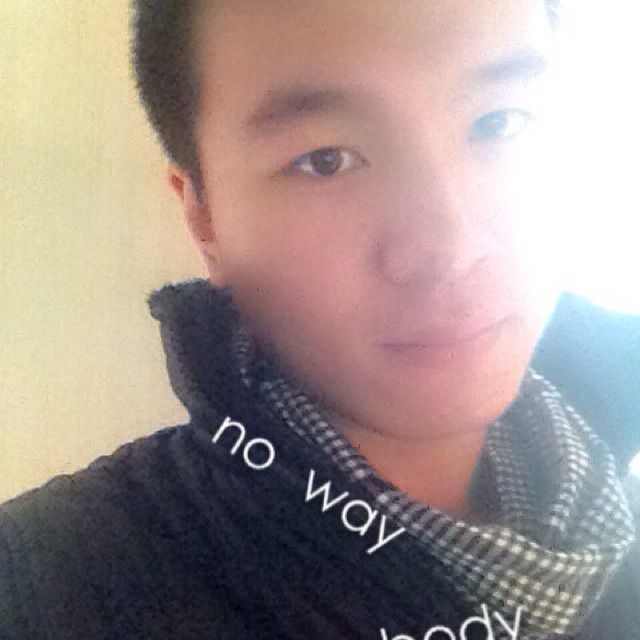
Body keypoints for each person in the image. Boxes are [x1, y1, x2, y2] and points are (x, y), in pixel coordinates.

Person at [1, 1, 638, 638]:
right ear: (205, 219)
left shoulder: (615, 505)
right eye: (326, 159)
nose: (453, 248)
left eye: (499, 123)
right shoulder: (49, 585)